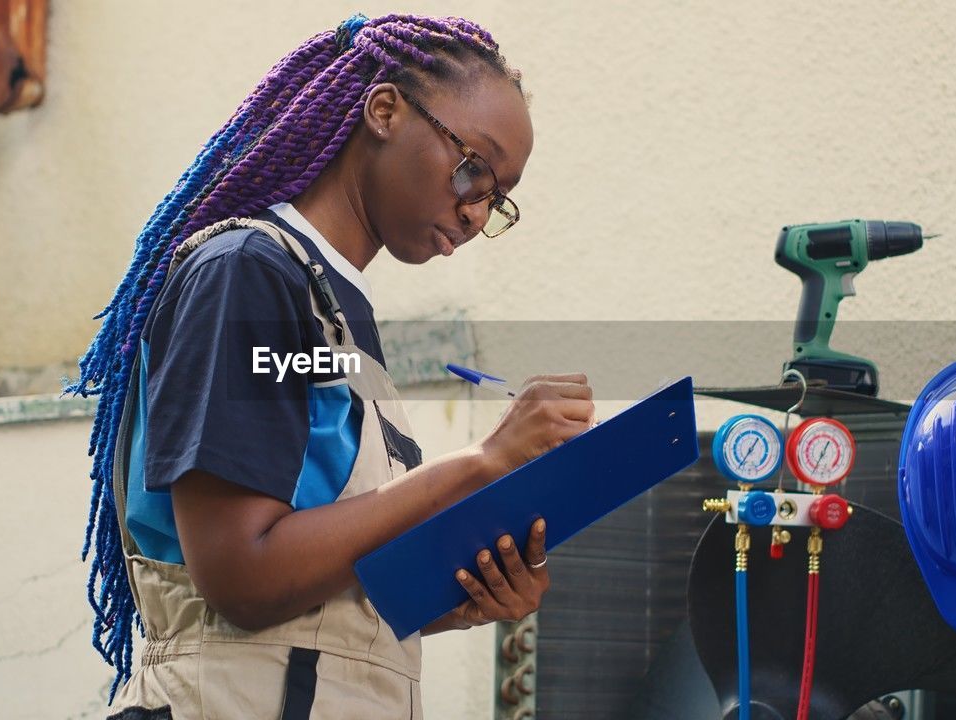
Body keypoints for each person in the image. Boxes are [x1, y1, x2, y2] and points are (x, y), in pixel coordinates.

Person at [69, 13, 594, 719]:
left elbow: (318, 596)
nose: (475, 211)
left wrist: (461, 595)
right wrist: (479, 462)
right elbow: (242, 578)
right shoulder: (246, 274)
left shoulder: (337, 318)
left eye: (497, 198)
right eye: (474, 167)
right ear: (383, 111)